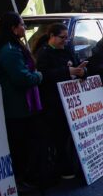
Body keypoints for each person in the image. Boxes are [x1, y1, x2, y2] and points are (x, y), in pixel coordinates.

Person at [0, 12, 43, 190]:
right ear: (13, 28)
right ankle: (19, 180)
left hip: (20, 104)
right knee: (19, 145)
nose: (24, 28)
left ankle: (23, 177)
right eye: (22, 24)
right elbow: (22, 78)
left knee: (23, 143)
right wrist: (39, 76)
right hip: (16, 106)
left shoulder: (13, 47)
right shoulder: (9, 51)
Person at [35, 23, 87, 179]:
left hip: (72, 101)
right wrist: (67, 71)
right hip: (53, 101)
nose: (65, 41)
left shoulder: (68, 50)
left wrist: (82, 71)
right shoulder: (44, 53)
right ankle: (63, 168)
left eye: (67, 38)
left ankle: (74, 164)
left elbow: (79, 65)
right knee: (59, 135)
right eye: (62, 38)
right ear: (51, 36)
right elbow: (43, 75)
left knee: (70, 134)